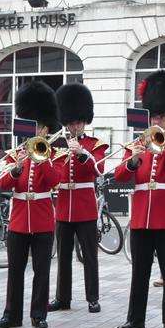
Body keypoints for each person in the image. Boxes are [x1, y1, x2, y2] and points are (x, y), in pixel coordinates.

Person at [115, 71, 165, 328]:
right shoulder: (137, 143)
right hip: (141, 217)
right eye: (154, 115)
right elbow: (119, 175)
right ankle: (135, 320)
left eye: (160, 116)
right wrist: (134, 160)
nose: (156, 120)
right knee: (139, 273)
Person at [0, 82, 59, 328]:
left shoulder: (53, 154)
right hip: (19, 219)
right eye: (34, 126)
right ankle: (12, 314)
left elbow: (55, 181)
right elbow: (2, 184)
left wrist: (40, 160)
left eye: (40, 127)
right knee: (15, 271)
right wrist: (18, 167)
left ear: (46, 128)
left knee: (41, 271)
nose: (37, 131)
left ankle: (38, 314)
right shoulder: (15, 154)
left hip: (42, 219)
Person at [48, 82, 107, 313]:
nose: (75, 126)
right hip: (63, 205)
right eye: (71, 122)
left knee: (89, 256)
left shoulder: (95, 144)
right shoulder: (56, 145)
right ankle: (63, 298)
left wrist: (82, 154)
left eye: (78, 122)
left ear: (85, 121)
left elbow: (99, 168)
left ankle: (92, 297)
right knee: (63, 256)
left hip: (85, 206)